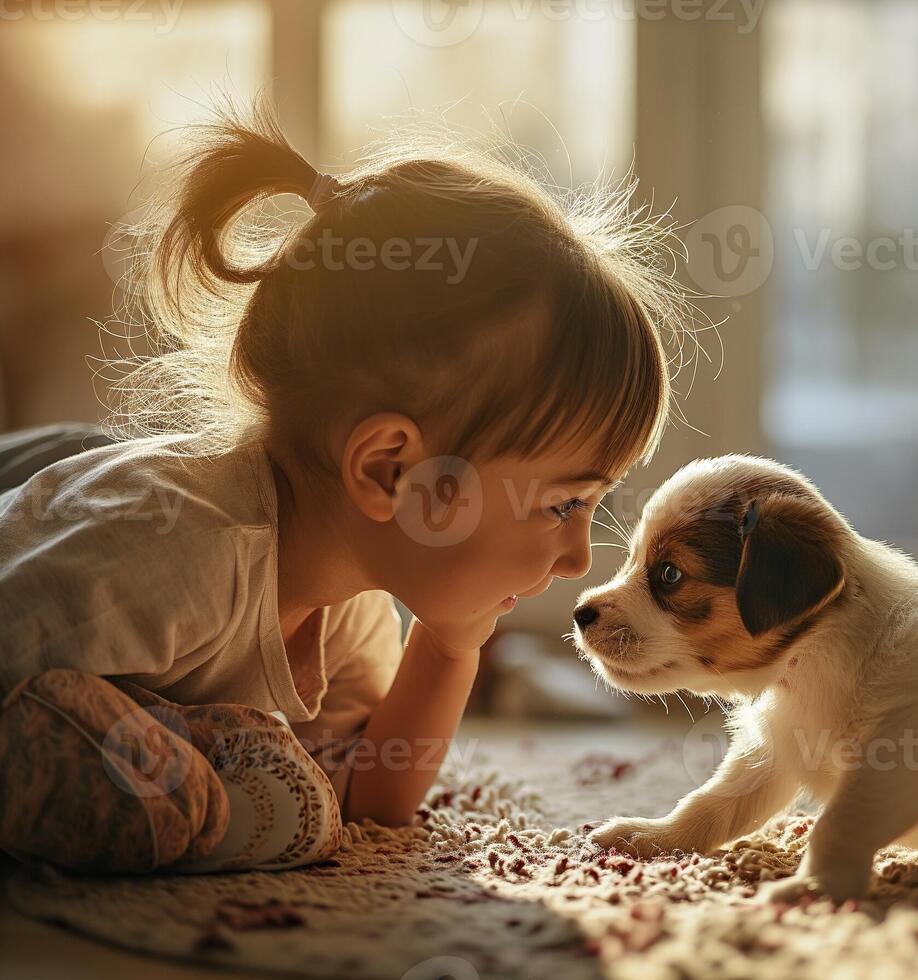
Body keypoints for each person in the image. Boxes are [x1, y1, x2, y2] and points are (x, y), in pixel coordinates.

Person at [0, 95, 684, 873]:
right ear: (390, 470)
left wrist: (449, 647)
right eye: (565, 504)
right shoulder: (170, 552)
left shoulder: (352, 608)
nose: (576, 560)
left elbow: (369, 801)